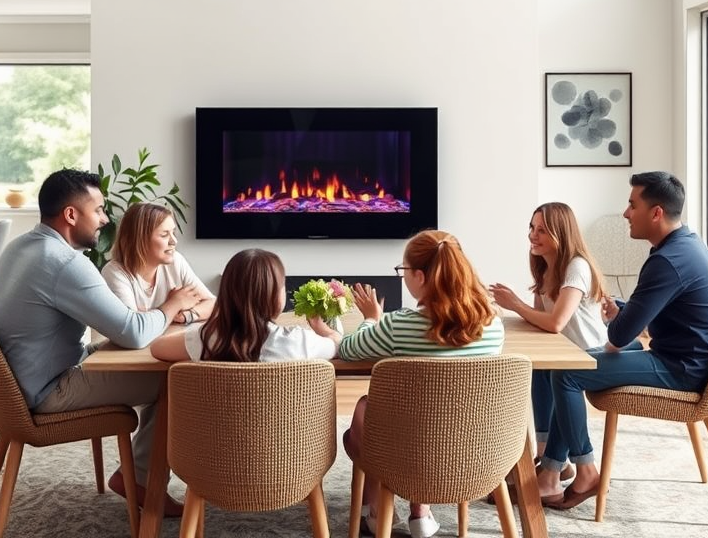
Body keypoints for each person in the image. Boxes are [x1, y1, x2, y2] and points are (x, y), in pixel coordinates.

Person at [0, 168, 203, 515]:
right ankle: (144, 480)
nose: (104, 219)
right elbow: (132, 332)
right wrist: (172, 304)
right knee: (176, 377)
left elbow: (126, 329)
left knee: (153, 360)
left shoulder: (20, 246)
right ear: (71, 215)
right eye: (98, 210)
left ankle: (144, 474)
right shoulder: (64, 263)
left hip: (16, 387)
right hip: (48, 389)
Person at [537, 171, 708, 509]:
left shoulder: (666, 261)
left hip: (682, 369)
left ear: (656, 212)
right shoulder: (686, 245)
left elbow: (619, 335)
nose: (626, 213)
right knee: (569, 366)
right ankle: (551, 472)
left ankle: (584, 472)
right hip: (689, 358)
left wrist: (623, 319)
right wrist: (626, 309)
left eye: (632, 205)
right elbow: (667, 309)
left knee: (566, 373)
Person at [314, 229, 505, 538]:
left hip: (406, 453)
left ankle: (376, 513)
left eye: (403, 271)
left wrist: (372, 318)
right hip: (475, 448)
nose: (402, 277)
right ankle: (421, 512)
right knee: (434, 416)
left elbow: (348, 349)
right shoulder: (493, 324)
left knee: (365, 413)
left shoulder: (399, 325)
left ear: (419, 276)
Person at [489, 202, 608, 486]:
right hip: (566, 351)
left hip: (591, 354)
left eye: (542, 230)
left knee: (556, 375)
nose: (533, 235)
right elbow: (539, 322)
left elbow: (555, 323)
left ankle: (554, 464)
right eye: (532, 227)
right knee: (537, 367)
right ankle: (547, 456)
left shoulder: (576, 267)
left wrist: (515, 304)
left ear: (561, 233)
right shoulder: (545, 268)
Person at [151, 248, 337, 362]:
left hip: (219, 427)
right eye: (282, 285)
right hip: (282, 426)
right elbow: (338, 345)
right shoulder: (298, 341)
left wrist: (204, 326)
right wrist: (325, 330)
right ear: (275, 297)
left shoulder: (206, 338)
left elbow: (157, 348)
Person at [102, 202, 215, 325]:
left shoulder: (176, 261)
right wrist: (174, 304)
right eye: (164, 234)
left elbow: (213, 304)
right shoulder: (114, 273)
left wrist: (186, 315)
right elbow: (134, 328)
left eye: (173, 232)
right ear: (140, 240)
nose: (174, 241)